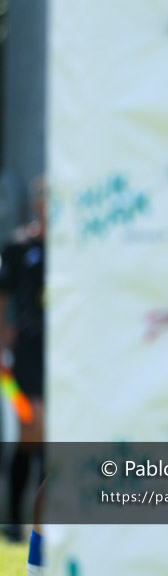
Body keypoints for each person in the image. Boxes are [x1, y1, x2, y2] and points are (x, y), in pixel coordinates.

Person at [0, 176, 45, 545]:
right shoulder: (18, 245)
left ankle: (42, 525)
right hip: (22, 357)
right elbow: (3, 298)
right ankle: (14, 519)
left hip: (62, 355)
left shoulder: (73, 247)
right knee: (30, 429)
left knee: (54, 441)